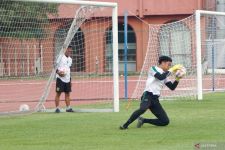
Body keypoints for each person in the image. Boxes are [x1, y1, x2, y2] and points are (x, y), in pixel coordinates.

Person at [120, 56, 183, 129]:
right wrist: (172, 69)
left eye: (170, 65)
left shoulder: (165, 74)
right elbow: (160, 77)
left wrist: (177, 79)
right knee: (143, 109)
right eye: (169, 64)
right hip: (148, 95)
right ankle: (125, 125)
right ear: (163, 63)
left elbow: (172, 87)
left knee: (165, 121)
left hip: (155, 99)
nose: (169, 67)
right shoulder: (153, 68)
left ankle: (143, 120)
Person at [55, 46, 74, 113]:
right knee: (58, 93)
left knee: (67, 94)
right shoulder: (60, 57)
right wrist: (59, 73)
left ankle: (68, 108)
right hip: (60, 79)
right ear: (65, 50)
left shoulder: (70, 59)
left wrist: (70, 80)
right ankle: (57, 108)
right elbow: (55, 67)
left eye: (70, 51)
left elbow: (68, 70)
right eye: (68, 50)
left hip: (67, 79)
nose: (69, 52)